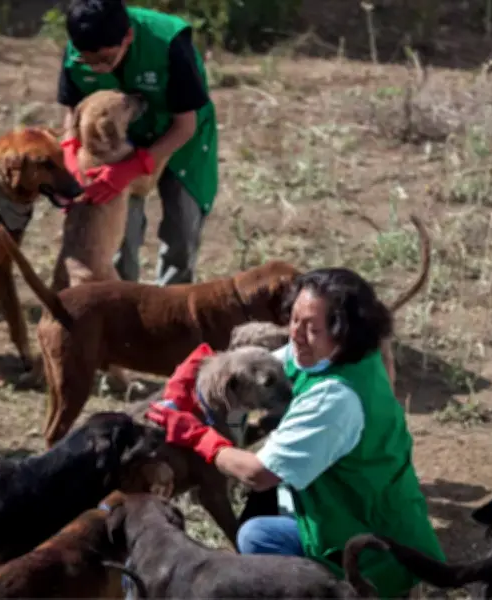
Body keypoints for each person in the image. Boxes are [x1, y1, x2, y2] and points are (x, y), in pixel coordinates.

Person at [146, 267, 446, 598]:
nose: (297, 335)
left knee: (257, 536)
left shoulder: (335, 398)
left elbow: (258, 474)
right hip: (370, 505)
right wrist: (207, 369)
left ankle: (334, 590)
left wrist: (200, 437)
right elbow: (261, 366)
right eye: (294, 320)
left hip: (367, 540)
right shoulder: (339, 355)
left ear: (342, 334)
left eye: (312, 328)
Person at [57, 0, 218, 286]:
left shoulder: (168, 43)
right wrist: (70, 155)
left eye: (106, 60)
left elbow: (185, 126)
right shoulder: (82, 45)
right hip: (114, 144)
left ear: (128, 37)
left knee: (180, 234)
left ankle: (171, 316)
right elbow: (72, 111)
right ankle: (123, 312)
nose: (97, 68)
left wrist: (135, 167)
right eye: (88, 62)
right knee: (119, 238)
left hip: (180, 140)